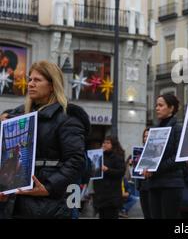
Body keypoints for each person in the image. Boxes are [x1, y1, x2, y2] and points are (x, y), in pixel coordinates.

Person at [0, 60, 86, 219]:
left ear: (52, 85)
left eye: (37, 80)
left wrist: (49, 187)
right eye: (30, 79)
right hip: (13, 203)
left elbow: (76, 160)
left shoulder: (67, 118)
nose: (31, 84)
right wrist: (4, 187)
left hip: (48, 206)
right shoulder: (19, 117)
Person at [143, 94, 184, 219]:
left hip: (171, 184)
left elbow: (179, 158)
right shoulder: (154, 130)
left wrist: (154, 168)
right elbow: (151, 155)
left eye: (161, 105)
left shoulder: (178, 129)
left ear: (171, 108)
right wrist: (145, 166)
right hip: (154, 183)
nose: (157, 108)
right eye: (156, 105)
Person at [92, 136, 125, 219]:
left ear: (113, 145)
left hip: (111, 196)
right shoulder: (100, 155)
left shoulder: (118, 157)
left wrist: (107, 170)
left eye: (108, 143)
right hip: (100, 195)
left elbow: (121, 172)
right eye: (104, 142)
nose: (105, 144)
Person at [136, 128, 151, 219]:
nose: (146, 138)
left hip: (152, 185)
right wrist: (132, 164)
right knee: (146, 213)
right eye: (145, 136)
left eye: (148, 136)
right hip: (142, 186)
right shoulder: (139, 151)